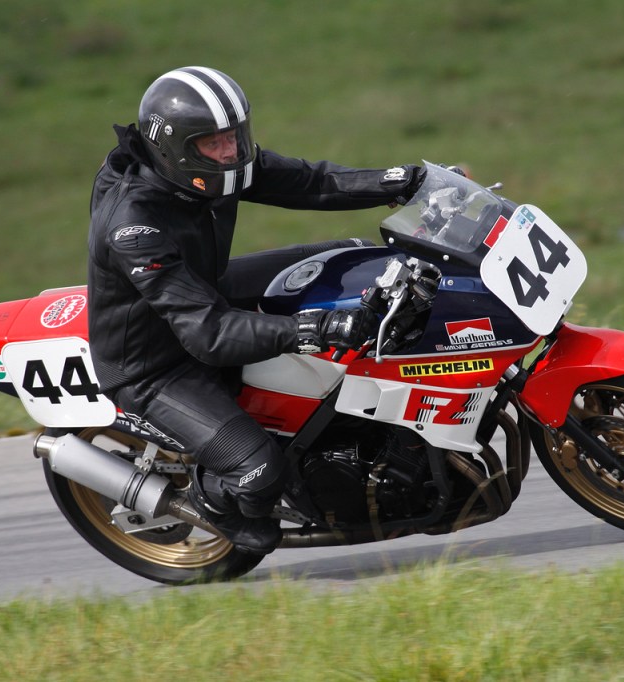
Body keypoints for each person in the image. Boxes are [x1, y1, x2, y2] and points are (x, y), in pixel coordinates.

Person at [87, 66, 426, 554]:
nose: (231, 152)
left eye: (234, 136)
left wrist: (403, 181)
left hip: (203, 293)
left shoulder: (212, 169)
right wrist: (315, 328)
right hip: (156, 363)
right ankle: (212, 500)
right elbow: (208, 334)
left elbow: (311, 182)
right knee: (261, 471)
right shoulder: (134, 227)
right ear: (175, 149)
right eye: (214, 143)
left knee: (349, 257)